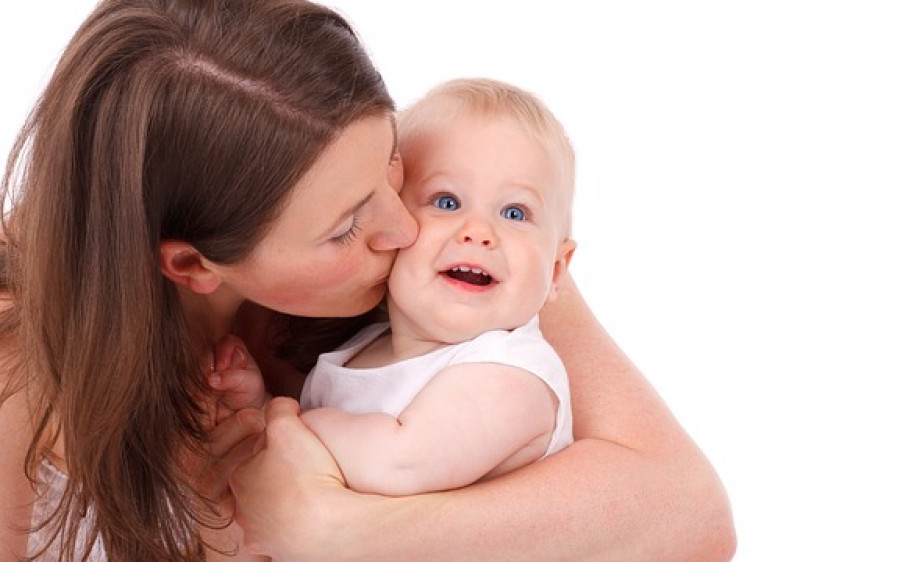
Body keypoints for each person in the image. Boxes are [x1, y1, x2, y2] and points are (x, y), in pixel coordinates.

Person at [0, 1, 736, 561]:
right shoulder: (22, 366)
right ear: (192, 264)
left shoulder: (461, 233)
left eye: (391, 158)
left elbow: (692, 514)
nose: (405, 225)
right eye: (345, 226)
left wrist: (344, 530)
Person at [231, 78, 579, 496]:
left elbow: (396, 463)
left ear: (556, 271)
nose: (479, 232)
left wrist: (278, 421)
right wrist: (253, 410)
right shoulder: (363, 347)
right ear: (394, 223)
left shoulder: (510, 375)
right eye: (447, 202)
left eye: (515, 212)